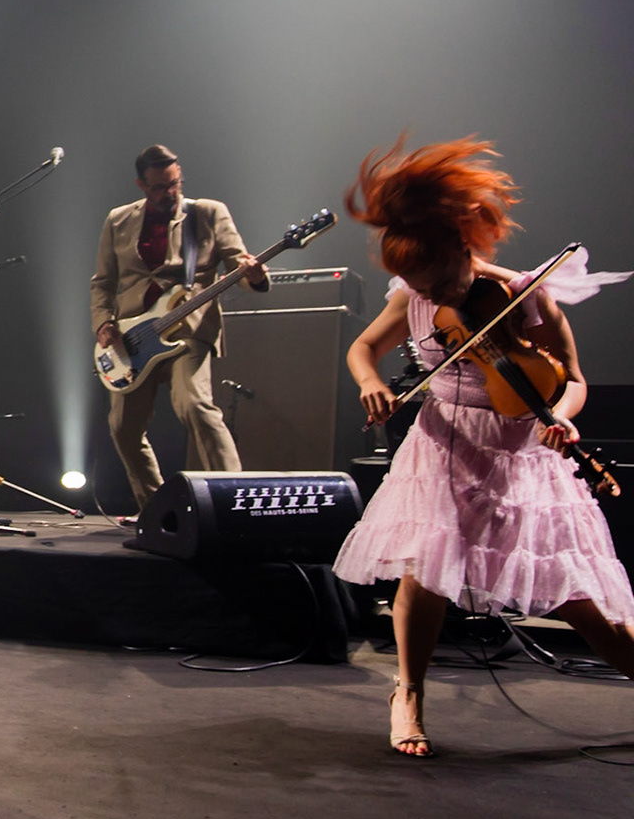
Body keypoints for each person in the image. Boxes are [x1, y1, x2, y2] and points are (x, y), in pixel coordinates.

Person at [334, 138, 634, 757]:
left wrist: (564, 421)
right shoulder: (414, 297)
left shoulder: (525, 299)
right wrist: (369, 384)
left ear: (464, 249)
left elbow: (571, 382)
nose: (440, 299)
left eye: (446, 280)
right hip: (444, 445)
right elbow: (363, 349)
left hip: (519, 450)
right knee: (427, 570)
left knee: (576, 594)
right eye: (425, 289)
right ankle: (408, 694)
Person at [90, 145, 267, 512]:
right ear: (141, 184)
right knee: (123, 428)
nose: (169, 193)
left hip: (187, 329)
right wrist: (104, 323)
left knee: (195, 407)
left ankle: (235, 501)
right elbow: (102, 282)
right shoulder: (118, 219)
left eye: (174, 184)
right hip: (131, 339)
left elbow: (240, 265)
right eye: (158, 187)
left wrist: (255, 275)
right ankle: (155, 509)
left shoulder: (207, 213)